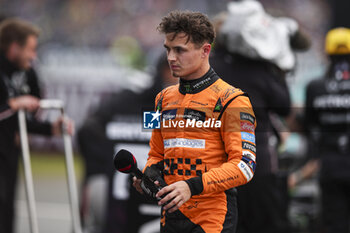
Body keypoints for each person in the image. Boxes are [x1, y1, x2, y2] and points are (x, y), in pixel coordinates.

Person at [133, 10, 256, 233]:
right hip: (170, 217)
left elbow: (245, 166)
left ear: (205, 51)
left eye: (180, 50)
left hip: (212, 219)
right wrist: (149, 175)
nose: (171, 57)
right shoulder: (161, 98)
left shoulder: (233, 100)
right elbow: (156, 154)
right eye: (168, 49)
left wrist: (192, 186)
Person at [210, 1, 310, 232]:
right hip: (256, 167)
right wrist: (279, 64)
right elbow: (284, 107)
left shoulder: (208, 68)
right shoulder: (261, 71)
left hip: (214, 168)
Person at [77, 54, 176, 233]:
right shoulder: (149, 105)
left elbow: (89, 129)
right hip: (139, 200)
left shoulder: (136, 103)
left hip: (128, 202)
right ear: (166, 70)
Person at [0, 18, 73, 233]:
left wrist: (50, 129)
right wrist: (13, 104)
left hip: (8, 154)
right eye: (31, 50)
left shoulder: (27, 72)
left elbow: (21, 119)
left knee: (6, 209)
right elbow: (13, 109)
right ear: (14, 47)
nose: (34, 56)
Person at [301, 27, 350, 233]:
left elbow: (309, 125)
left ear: (327, 52)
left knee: (334, 223)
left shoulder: (315, 86)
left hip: (330, 165)